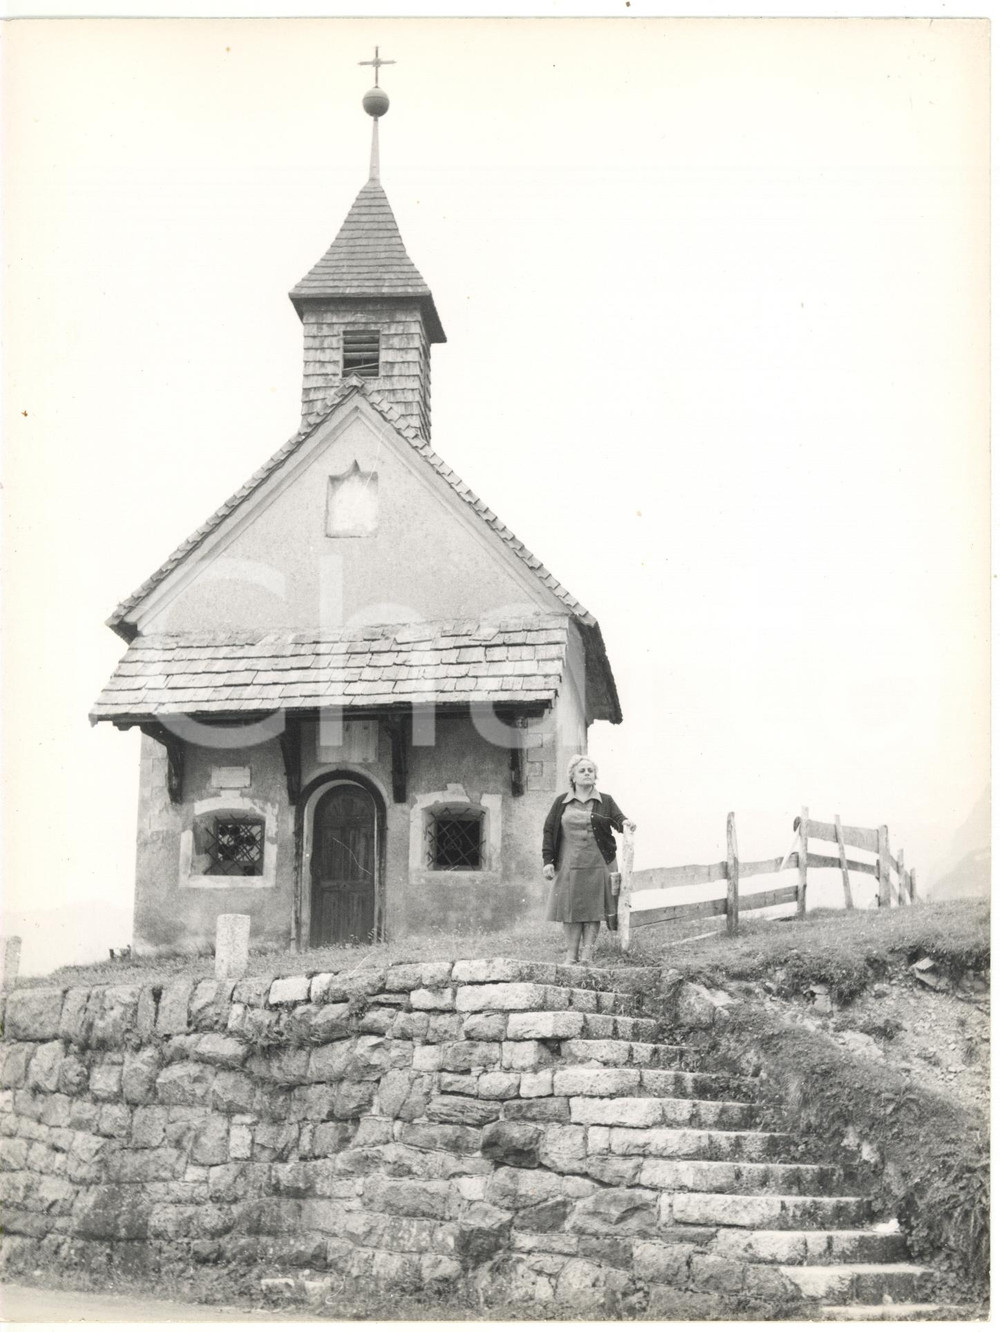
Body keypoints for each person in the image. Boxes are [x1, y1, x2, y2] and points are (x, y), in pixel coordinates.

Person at [542, 755, 637, 965]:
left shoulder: (606, 801)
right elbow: (549, 830)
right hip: (569, 863)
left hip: (599, 862)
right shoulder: (561, 802)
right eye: (582, 770)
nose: (587, 773)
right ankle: (570, 956)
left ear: (595, 777)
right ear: (573, 777)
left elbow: (619, 821)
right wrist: (548, 860)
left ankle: (587, 956)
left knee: (593, 910)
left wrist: (627, 823)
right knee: (570, 910)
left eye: (590, 771)